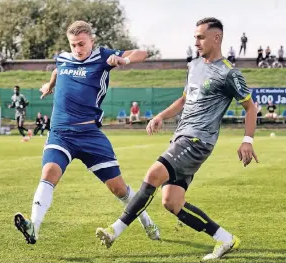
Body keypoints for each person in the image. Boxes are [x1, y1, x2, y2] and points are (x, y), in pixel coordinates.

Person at [95, 17, 259, 261]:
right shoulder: (193, 65)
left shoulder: (229, 73)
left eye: (201, 37)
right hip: (181, 137)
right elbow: (184, 100)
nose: (196, 42)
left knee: (152, 175)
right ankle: (225, 238)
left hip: (198, 141)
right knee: (172, 202)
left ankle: (114, 230)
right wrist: (161, 116)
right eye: (195, 37)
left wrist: (248, 140)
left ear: (217, 38)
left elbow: (251, 108)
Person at [13, 20, 159, 245]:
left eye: (82, 44)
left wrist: (124, 59)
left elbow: (143, 52)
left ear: (92, 40)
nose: (78, 49)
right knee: (49, 173)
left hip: (90, 135)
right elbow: (57, 69)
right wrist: (49, 85)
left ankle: (147, 221)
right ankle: (34, 226)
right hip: (61, 133)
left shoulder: (103, 57)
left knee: (118, 189)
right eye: (73, 45)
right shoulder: (63, 58)